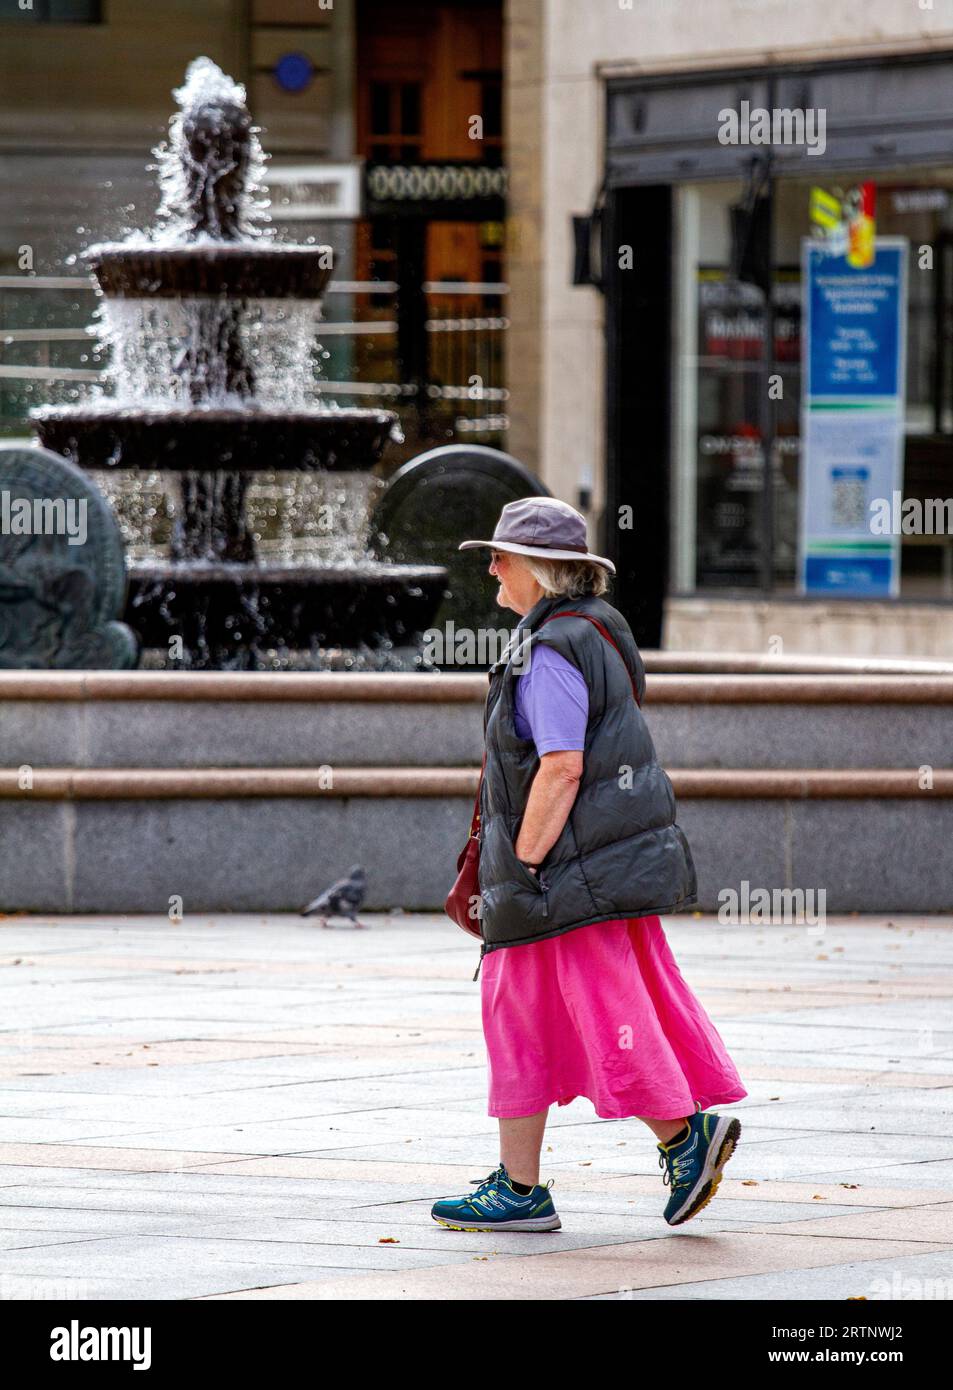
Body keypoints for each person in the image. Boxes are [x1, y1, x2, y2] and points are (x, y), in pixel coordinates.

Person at [431, 496, 747, 1234]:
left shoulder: (549, 651)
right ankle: (520, 1186)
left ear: (537, 572)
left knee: (602, 1012)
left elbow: (562, 767)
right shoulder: (594, 636)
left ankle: (680, 1135)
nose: (490, 569)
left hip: (564, 877)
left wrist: (525, 864)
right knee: (527, 1014)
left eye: (500, 557)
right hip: (595, 871)